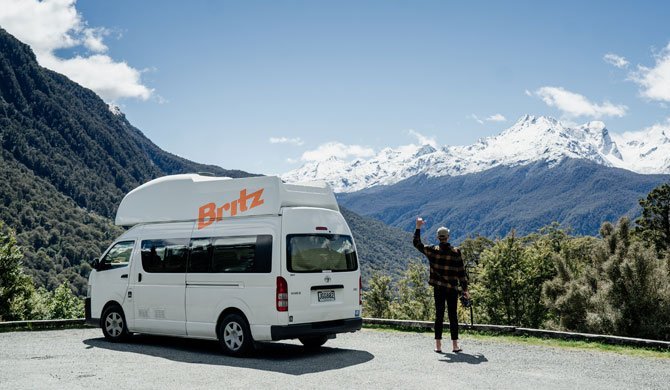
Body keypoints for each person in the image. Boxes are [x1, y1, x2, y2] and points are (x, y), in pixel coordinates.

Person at [413, 217, 469, 353]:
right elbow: (462, 273)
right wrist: (465, 290)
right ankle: (455, 346)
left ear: (438, 238)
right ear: (448, 237)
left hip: (438, 288)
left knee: (439, 315)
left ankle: (438, 346)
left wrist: (418, 227)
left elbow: (417, 243)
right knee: (453, 316)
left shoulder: (433, 251)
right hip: (452, 289)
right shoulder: (456, 252)